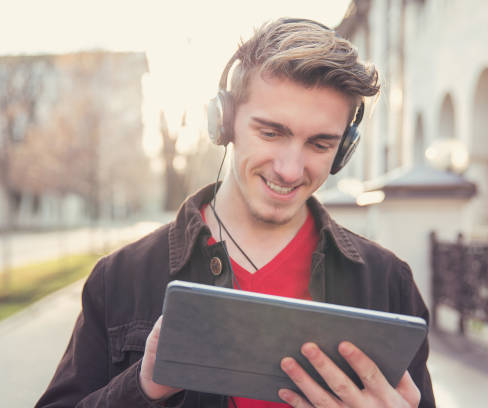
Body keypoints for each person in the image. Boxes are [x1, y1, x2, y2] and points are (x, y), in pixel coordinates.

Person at [36, 18, 435, 408]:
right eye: (271, 133)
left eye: (319, 144)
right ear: (224, 122)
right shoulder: (121, 278)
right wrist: (142, 387)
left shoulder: (387, 284)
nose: (290, 170)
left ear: (343, 150)